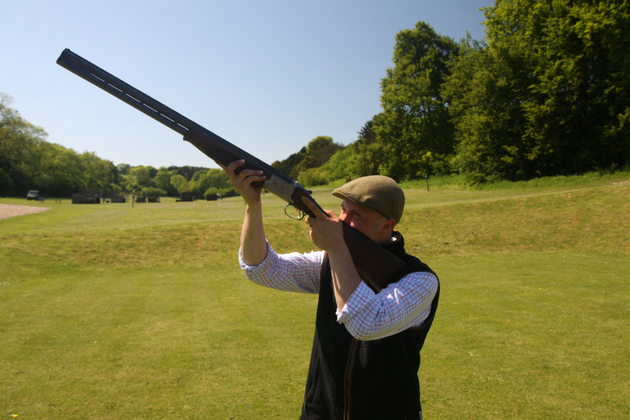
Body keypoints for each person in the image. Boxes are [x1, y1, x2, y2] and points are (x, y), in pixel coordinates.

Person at [225, 159, 440, 420]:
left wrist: (337, 247)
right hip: (321, 411)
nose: (342, 220)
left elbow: (367, 323)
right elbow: (263, 269)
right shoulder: (331, 261)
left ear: (387, 225)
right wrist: (253, 206)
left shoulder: (420, 280)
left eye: (356, 214)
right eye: (342, 210)